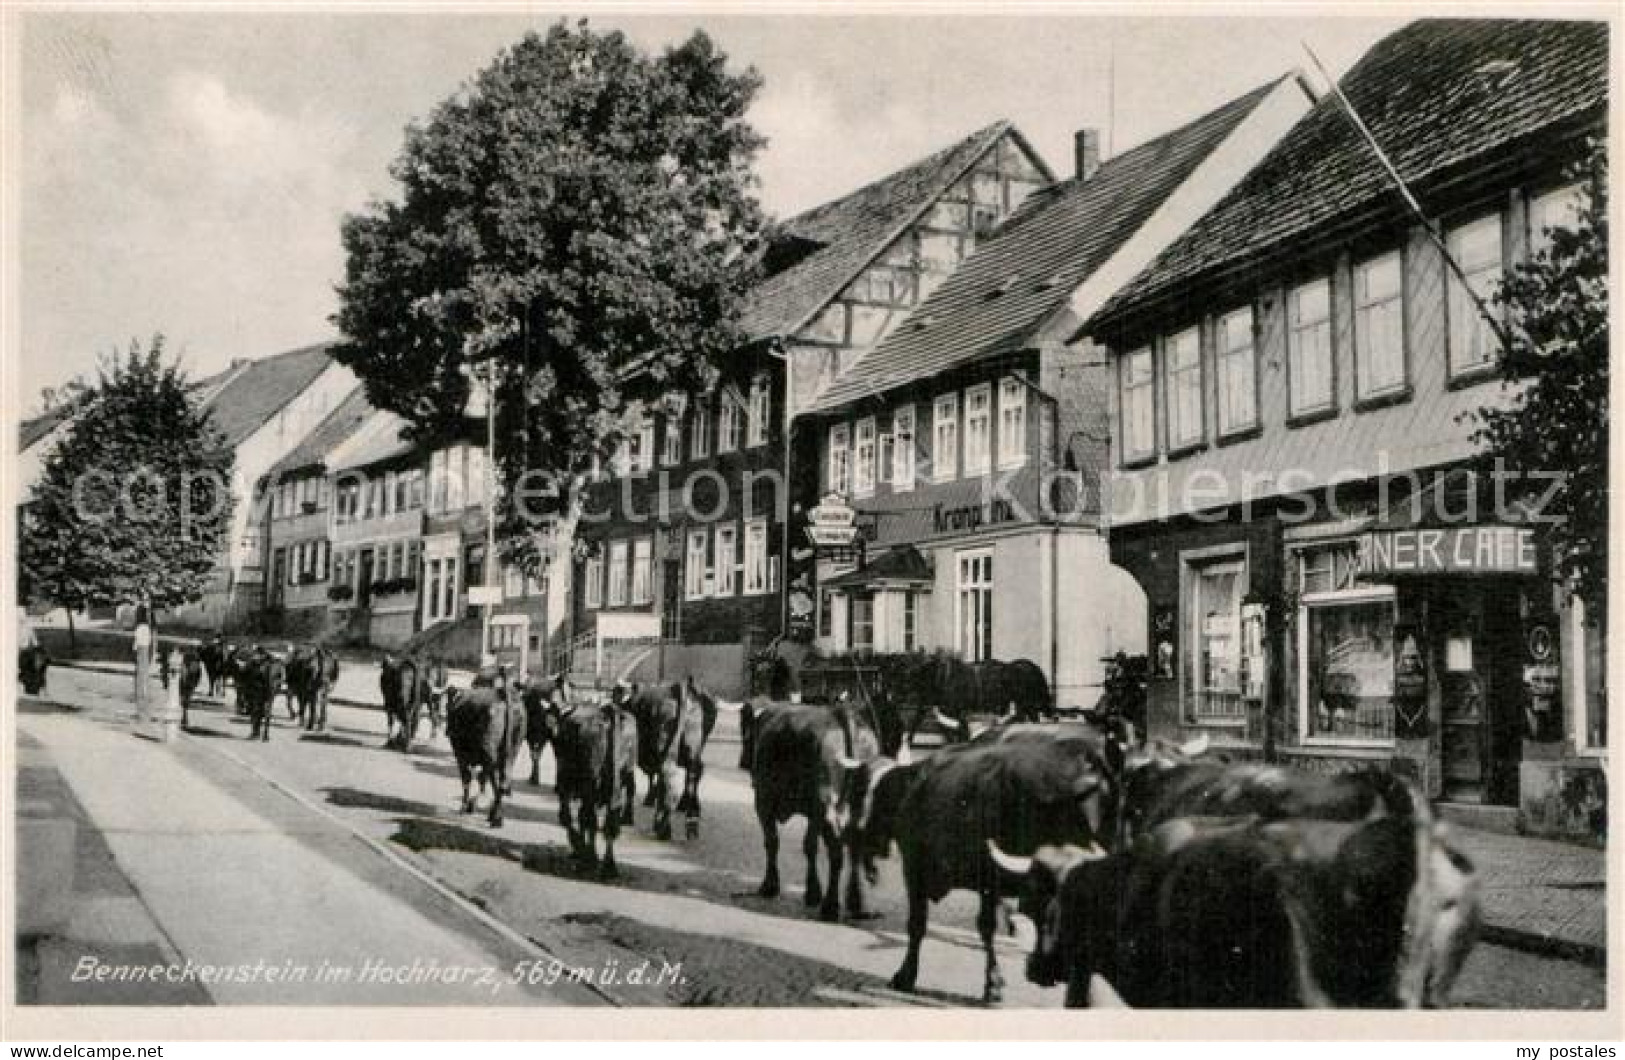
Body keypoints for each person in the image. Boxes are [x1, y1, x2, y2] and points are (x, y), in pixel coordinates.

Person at [132, 603, 154, 722]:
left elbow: (135, 645)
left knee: (139, 682)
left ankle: (140, 711)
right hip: (145, 654)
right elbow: (149, 643)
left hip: (140, 653)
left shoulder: (139, 628)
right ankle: (145, 710)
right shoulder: (147, 628)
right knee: (145, 681)